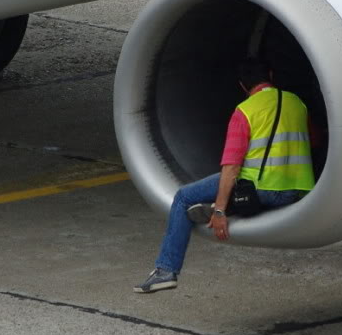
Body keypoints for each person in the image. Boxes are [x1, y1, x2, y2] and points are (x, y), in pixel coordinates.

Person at [133, 61, 315, 293]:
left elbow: (231, 168)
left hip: (261, 190)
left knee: (183, 198)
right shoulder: (297, 103)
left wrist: (218, 211)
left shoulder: (245, 111)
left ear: (242, 85)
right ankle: (229, 205)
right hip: (296, 192)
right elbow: (315, 140)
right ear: (271, 74)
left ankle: (166, 270)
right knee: (233, 190)